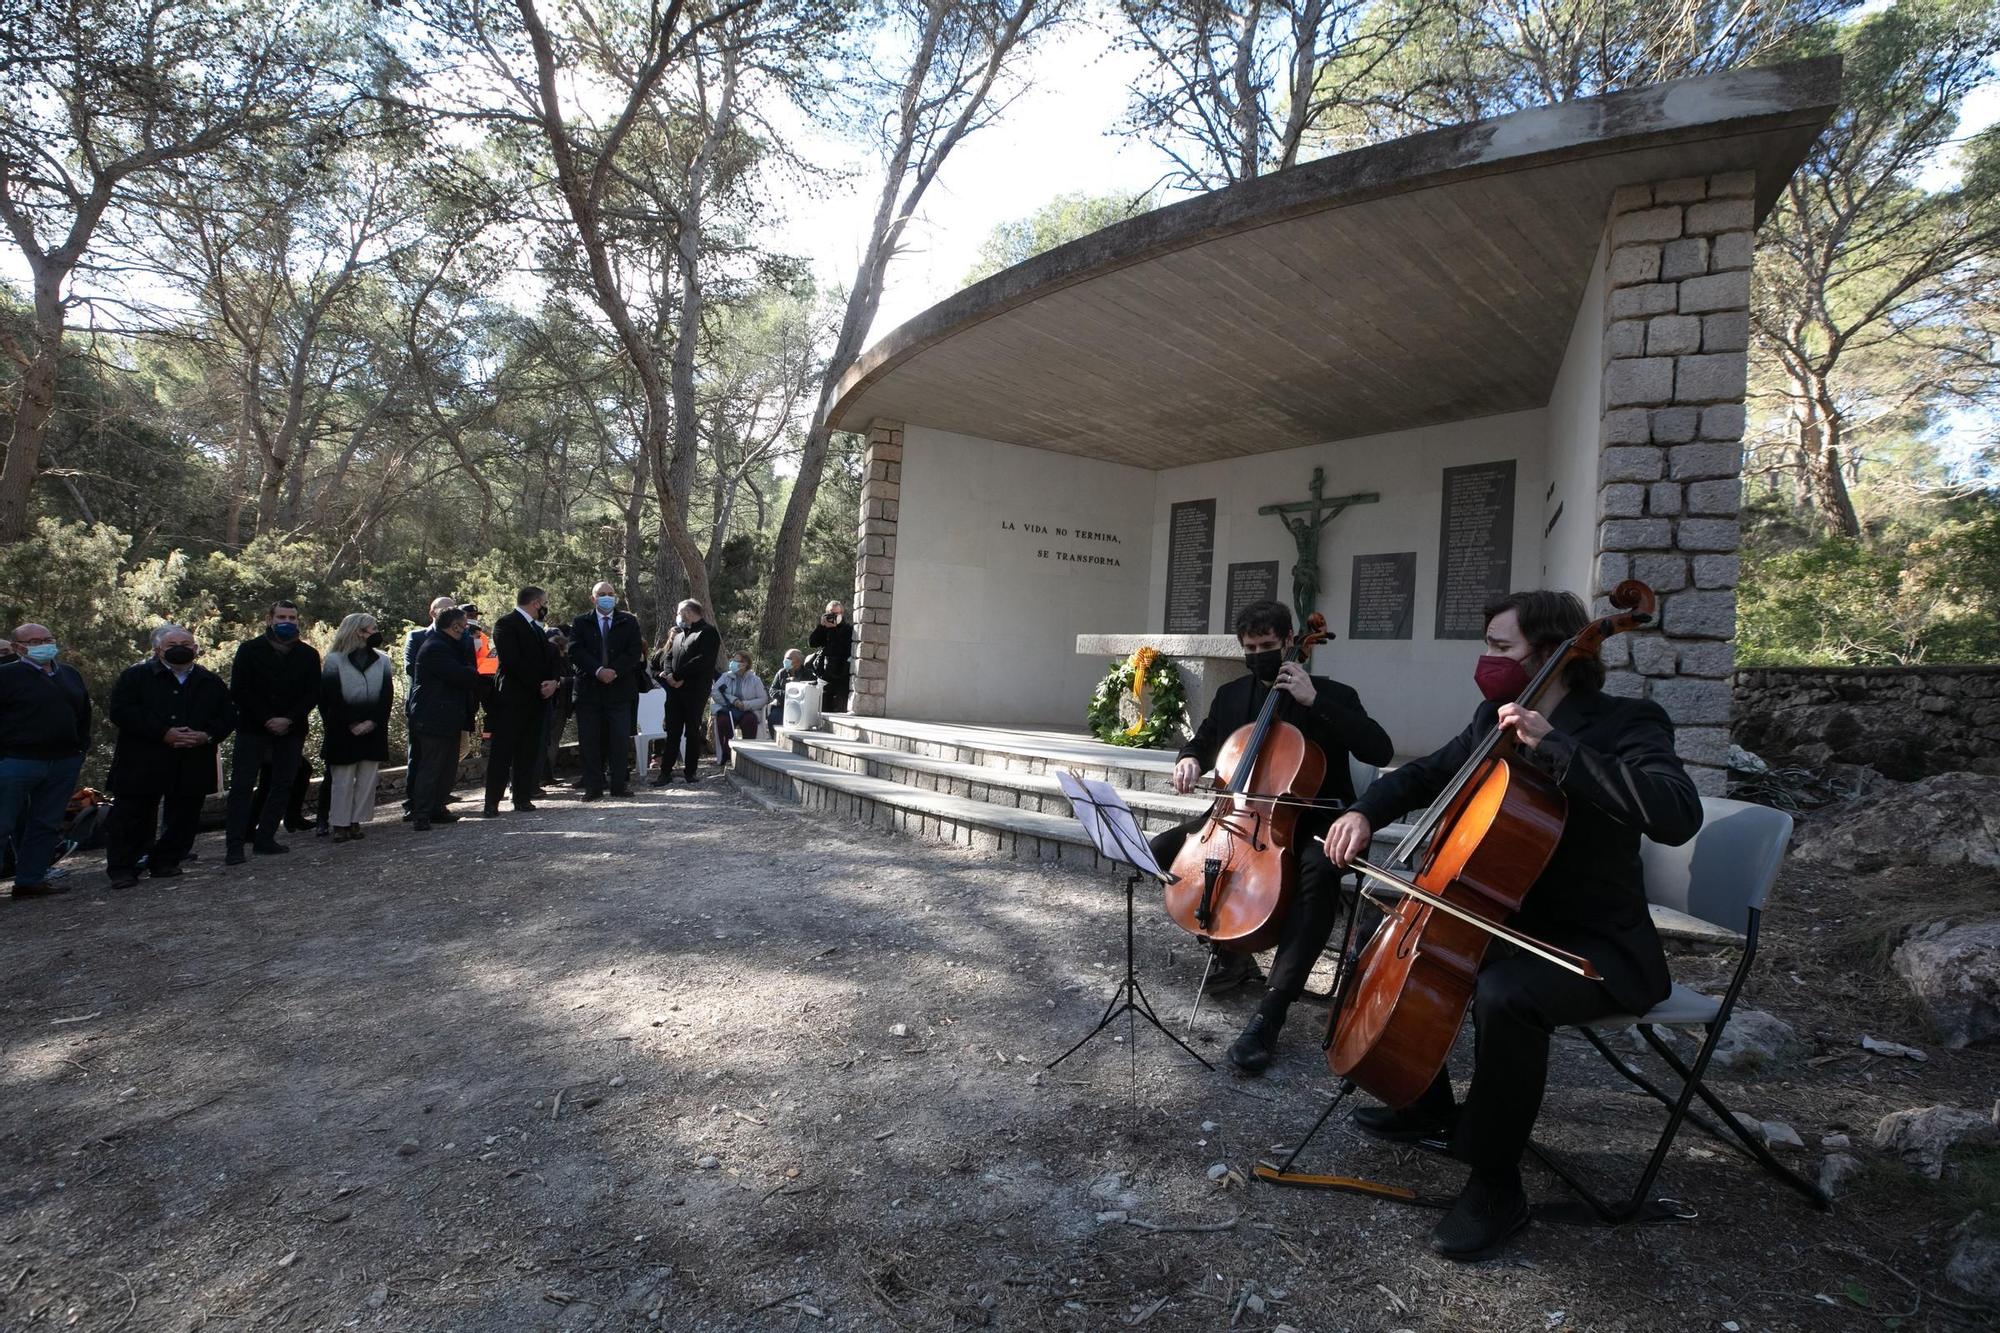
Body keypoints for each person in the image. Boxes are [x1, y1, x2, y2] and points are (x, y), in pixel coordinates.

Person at [1321, 590, 1702, 1260]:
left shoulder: (1628, 721)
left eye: (1501, 647)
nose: (1486, 661)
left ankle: (1496, 1184)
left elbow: (1676, 812)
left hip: (1599, 946)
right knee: (1382, 927)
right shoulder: (1488, 720)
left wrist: (1560, 750)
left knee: (1504, 992)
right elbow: (1425, 774)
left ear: (1557, 652)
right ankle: (1428, 1104)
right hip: (1508, 921)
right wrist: (1365, 812)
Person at [1148, 598, 1393, 1074]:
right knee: (1162, 850)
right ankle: (1230, 949)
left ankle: (1271, 1014)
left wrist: (1314, 702)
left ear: (1288, 644)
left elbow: (1378, 748)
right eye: (1250, 646)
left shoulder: (1331, 692)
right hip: (1239, 815)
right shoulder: (1232, 696)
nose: (1258, 653)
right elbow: (1204, 738)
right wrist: (1190, 758)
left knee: (1317, 875)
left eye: (1267, 645)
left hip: (1315, 820)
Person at [105, 625, 237, 888]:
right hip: (144, 758)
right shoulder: (136, 677)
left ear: (196, 649)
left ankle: (166, 860)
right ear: (157, 650)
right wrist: (163, 733)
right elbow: (122, 712)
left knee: (185, 815)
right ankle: (123, 868)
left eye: (187, 644)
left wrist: (206, 735)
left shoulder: (209, 680)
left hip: (193, 758)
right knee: (132, 816)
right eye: (173, 644)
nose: (181, 649)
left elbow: (228, 715)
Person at [224, 600, 321, 865]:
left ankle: (265, 838)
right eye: (282, 617)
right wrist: (268, 718)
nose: (287, 622)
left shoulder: (308, 654)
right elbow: (240, 690)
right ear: (269, 619)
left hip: (291, 728)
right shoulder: (249, 650)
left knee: (282, 784)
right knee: (242, 787)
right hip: (253, 728)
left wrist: (288, 718)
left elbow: (311, 692)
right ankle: (234, 845)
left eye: (292, 617)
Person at [0, 623, 91, 897]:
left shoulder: (69, 674)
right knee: (3, 823)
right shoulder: (6, 676)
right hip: (16, 761)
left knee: (46, 823)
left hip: (63, 760)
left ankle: (30, 879)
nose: (43, 644)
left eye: (47, 639)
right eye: (34, 641)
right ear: (18, 648)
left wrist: (80, 748)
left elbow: (83, 712)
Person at [483, 587, 559, 816]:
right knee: (502, 751)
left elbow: (550, 656)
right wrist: (539, 684)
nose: (545, 607)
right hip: (512, 699)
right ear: (536, 603)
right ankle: (492, 802)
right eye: (544, 602)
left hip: (536, 699)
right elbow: (512, 661)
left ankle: (522, 796)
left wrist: (553, 681)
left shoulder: (536, 628)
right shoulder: (506, 624)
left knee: (528, 750)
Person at [319, 613, 393, 843]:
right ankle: (339, 823)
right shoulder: (334, 660)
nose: (375, 633)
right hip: (343, 729)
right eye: (371, 629)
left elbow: (386, 696)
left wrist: (372, 721)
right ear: (357, 632)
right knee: (342, 778)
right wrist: (351, 723)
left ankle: (356, 820)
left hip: (373, 727)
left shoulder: (383, 660)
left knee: (367, 778)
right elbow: (331, 698)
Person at [407, 607, 481, 830]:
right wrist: (470, 671)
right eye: (464, 625)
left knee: (448, 765)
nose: (467, 629)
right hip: (433, 716)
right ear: (455, 626)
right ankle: (421, 813)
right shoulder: (436, 647)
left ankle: (438, 807)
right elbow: (461, 675)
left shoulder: (451, 646)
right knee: (432, 765)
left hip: (449, 715)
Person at [568, 581, 644, 800]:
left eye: (610, 593)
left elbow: (634, 651)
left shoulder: (628, 621)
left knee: (619, 740)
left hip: (619, 691)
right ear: (593, 598)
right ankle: (593, 788)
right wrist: (598, 670)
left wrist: (613, 671)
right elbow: (575, 651)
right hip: (589, 692)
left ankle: (619, 785)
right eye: (602, 594)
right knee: (590, 741)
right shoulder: (581, 622)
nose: (607, 597)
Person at [650, 599, 719, 786]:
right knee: (672, 731)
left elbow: (702, 660)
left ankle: (690, 772)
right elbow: (669, 656)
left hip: (694, 691)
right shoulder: (680, 634)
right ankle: (665, 773)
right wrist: (670, 676)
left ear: (688, 612)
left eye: (680, 612)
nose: (678, 615)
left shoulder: (708, 633)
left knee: (691, 731)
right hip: (674, 691)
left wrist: (680, 676)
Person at [708, 651, 769, 765]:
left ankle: (748, 754)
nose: (733, 663)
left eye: (736, 661)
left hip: (746, 710)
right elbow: (715, 692)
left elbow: (763, 699)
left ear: (744, 664)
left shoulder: (755, 680)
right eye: (733, 660)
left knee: (750, 721)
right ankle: (727, 753)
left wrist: (745, 705)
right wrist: (733, 701)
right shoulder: (726, 676)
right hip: (728, 709)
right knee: (723, 721)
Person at [541, 626, 575, 790]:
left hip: (561, 706)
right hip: (550, 705)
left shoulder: (566, 659)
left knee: (553, 742)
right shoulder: (545, 659)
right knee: (546, 741)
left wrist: (563, 681)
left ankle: (547, 775)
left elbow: (572, 677)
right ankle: (542, 775)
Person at [808, 601, 854, 712]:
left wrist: (833, 629)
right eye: (831, 613)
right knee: (823, 708)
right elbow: (812, 643)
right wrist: (821, 626)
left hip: (840, 676)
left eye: (837, 613)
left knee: (839, 710)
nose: (834, 616)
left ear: (842, 614)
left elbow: (839, 648)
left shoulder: (848, 629)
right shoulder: (825, 628)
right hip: (825, 676)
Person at [766, 647, 807, 733]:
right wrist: (787, 694)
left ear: (798, 662)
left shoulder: (807, 673)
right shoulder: (781, 673)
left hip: (801, 708)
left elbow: (809, 691)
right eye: (785, 658)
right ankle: (775, 740)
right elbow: (772, 691)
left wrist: (797, 685)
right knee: (773, 718)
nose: (785, 660)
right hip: (782, 706)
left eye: (788, 658)